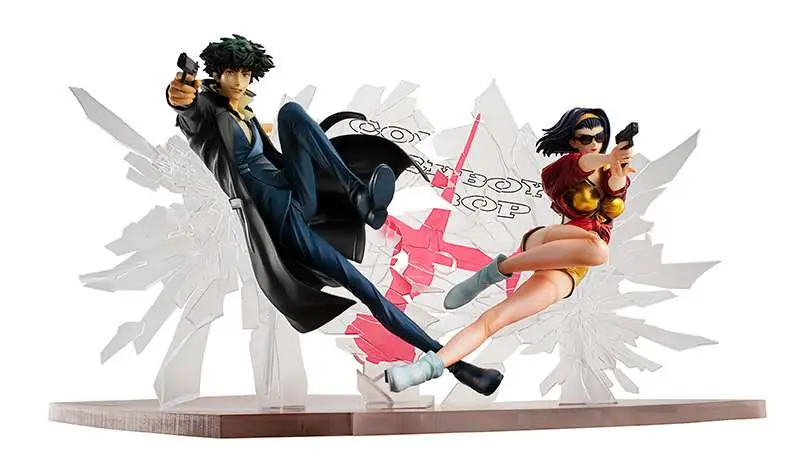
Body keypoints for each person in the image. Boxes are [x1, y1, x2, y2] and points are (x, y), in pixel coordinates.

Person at [167, 34, 502, 395]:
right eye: (231, 73)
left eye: (245, 74)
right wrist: (179, 94)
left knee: (291, 112)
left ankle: (357, 193)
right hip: (280, 217)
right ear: (216, 73)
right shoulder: (205, 113)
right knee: (368, 291)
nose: (238, 81)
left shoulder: (243, 113)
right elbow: (184, 104)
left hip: (296, 191)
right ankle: (457, 366)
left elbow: (268, 143)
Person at [384, 108, 635, 393]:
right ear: (572, 141)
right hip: (550, 240)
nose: (594, 143)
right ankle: (498, 270)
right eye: (585, 138)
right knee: (598, 249)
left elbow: (614, 195)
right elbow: (581, 165)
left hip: (570, 267)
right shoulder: (565, 168)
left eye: (599, 137)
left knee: (496, 319)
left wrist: (617, 169)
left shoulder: (612, 172)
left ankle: (422, 370)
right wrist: (608, 158)